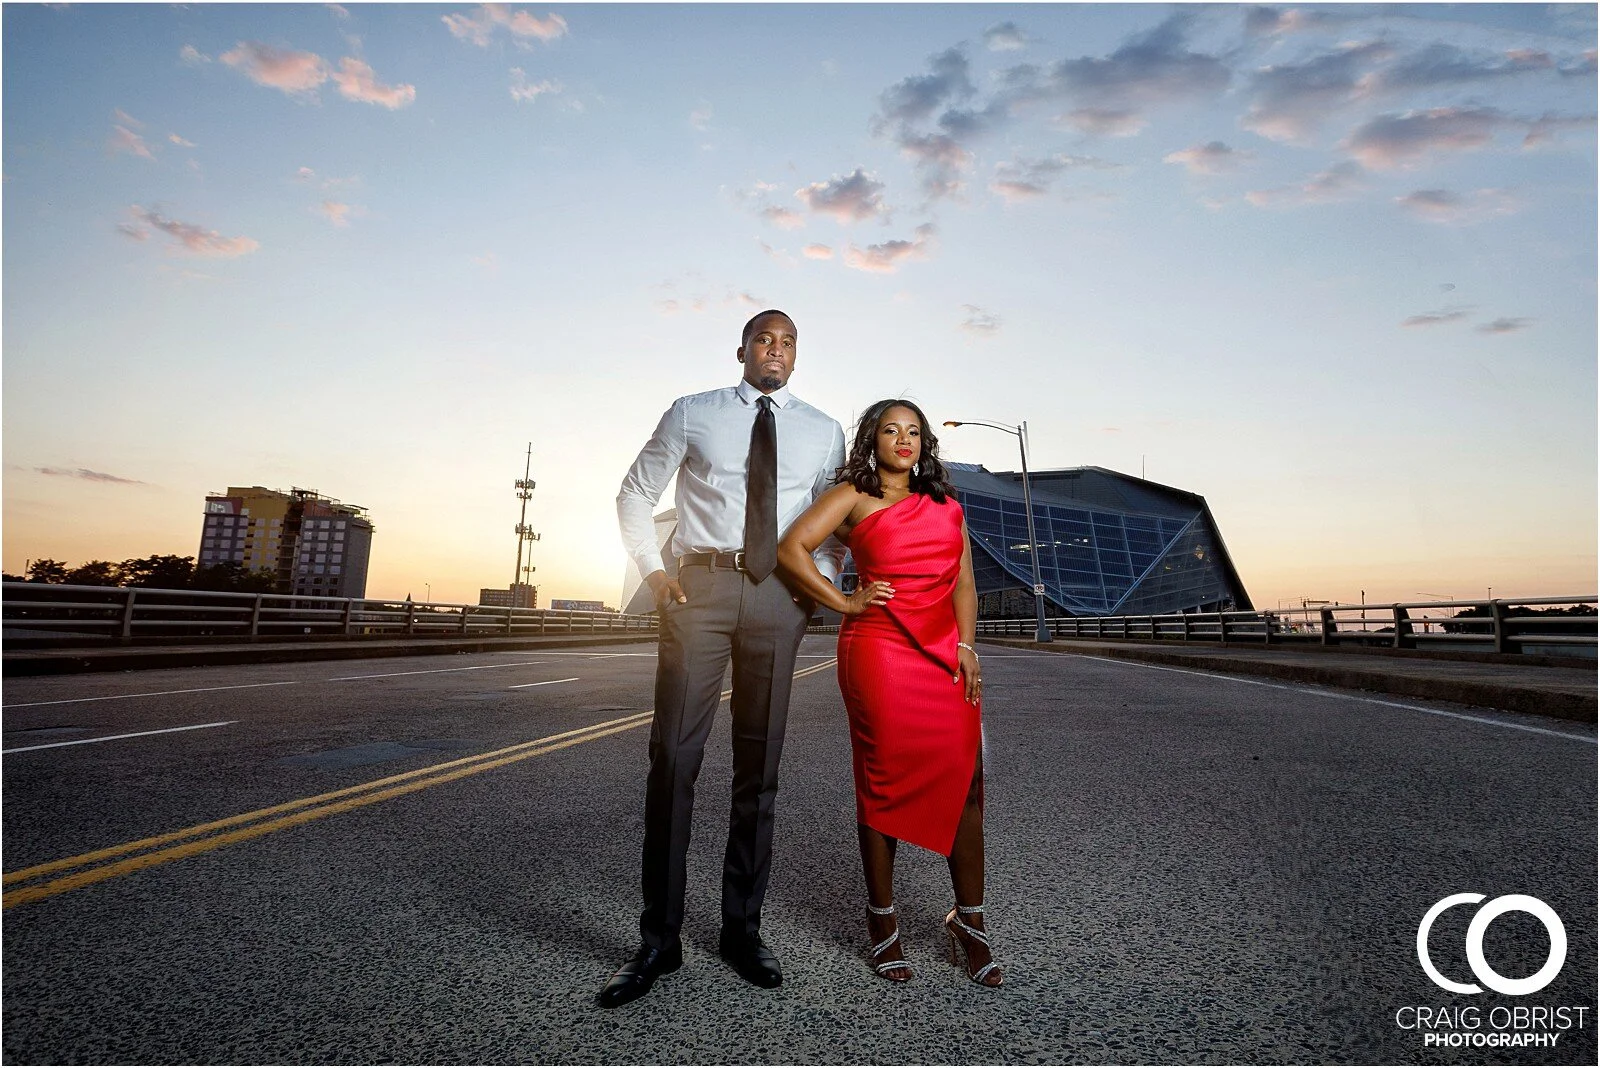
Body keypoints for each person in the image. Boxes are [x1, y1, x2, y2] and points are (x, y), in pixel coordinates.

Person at [601, 309, 847, 1008]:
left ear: (798, 355)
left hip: (779, 596)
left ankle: (742, 930)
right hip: (699, 588)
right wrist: (654, 573)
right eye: (764, 339)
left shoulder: (822, 429)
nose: (776, 350)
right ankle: (659, 940)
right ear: (742, 350)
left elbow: (831, 520)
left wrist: (813, 587)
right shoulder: (693, 412)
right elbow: (635, 492)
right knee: (673, 760)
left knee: (758, 770)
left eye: (788, 340)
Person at [776, 398, 1003, 987]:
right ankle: (882, 922)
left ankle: (970, 923)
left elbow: (965, 582)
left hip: (943, 655)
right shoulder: (853, 496)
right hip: (878, 650)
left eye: (913, 431)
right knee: (881, 781)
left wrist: (968, 645)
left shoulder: (949, 507)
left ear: (924, 443)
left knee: (965, 782)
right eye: (890, 430)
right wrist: (845, 601)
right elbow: (790, 550)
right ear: (871, 440)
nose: (903, 439)